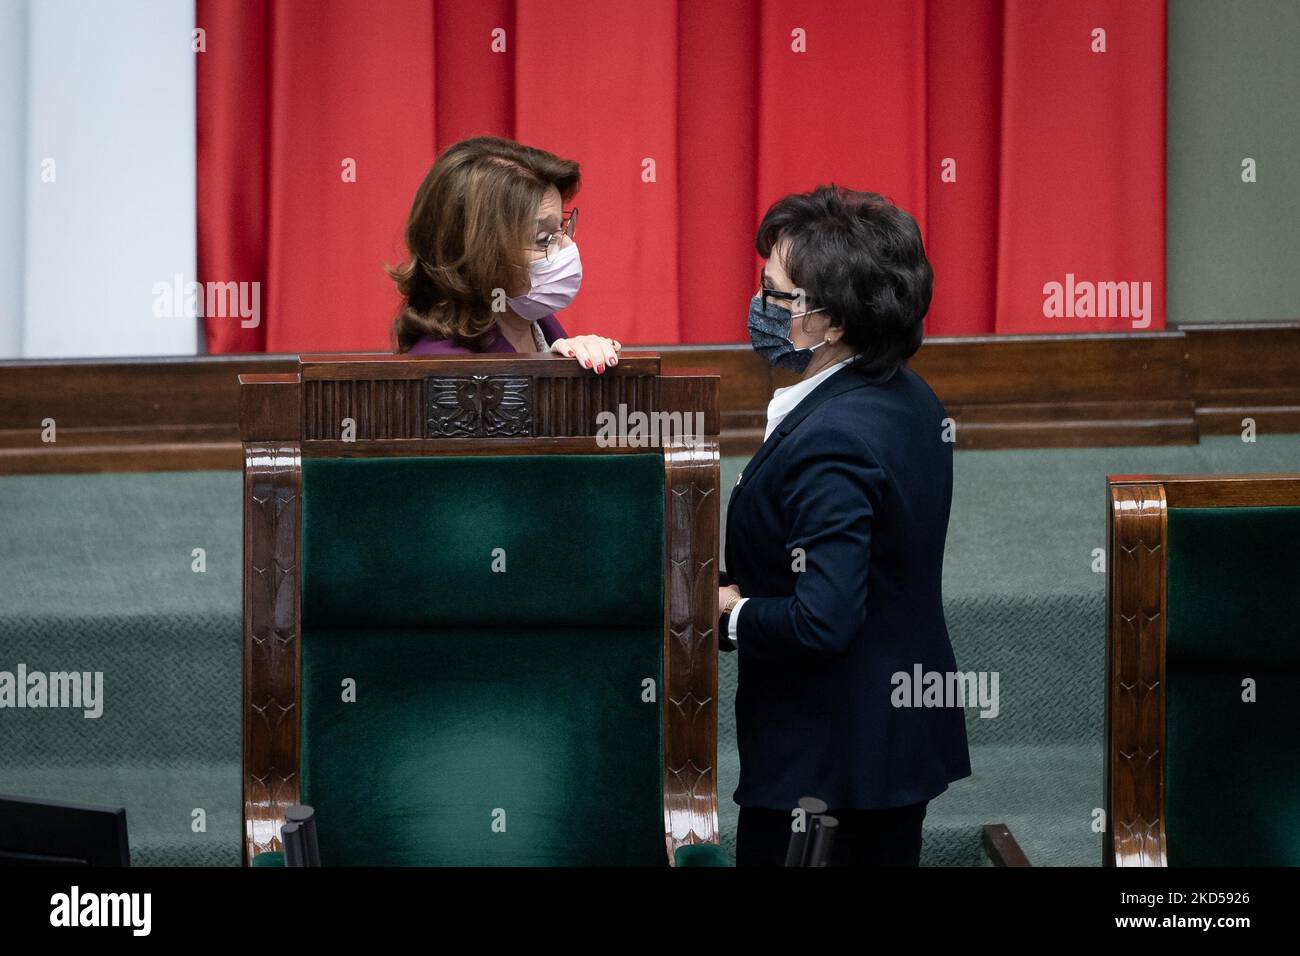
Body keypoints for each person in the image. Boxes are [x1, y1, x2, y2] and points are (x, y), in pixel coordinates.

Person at [719, 185, 972, 866]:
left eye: (775, 292)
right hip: (882, 747)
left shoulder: (834, 437)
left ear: (830, 323)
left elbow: (821, 619)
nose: (760, 303)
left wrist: (729, 615)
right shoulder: (904, 394)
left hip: (828, 769)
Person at [389, 136, 620, 372]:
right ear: (475, 255)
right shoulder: (447, 369)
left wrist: (581, 362)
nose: (567, 245)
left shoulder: (529, 318)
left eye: (561, 227)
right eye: (542, 239)